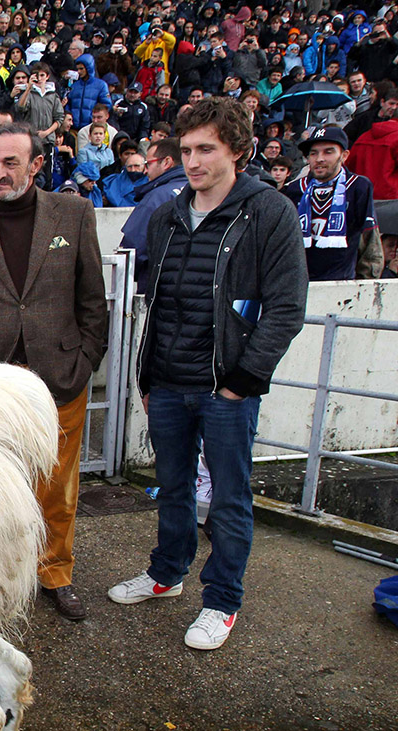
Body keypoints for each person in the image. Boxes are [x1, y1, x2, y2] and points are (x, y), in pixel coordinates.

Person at [108, 97, 309, 651]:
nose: (192, 161)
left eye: (206, 150)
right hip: (169, 380)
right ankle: (166, 575)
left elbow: (287, 306)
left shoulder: (269, 211)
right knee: (171, 488)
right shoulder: (169, 213)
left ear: (238, 152)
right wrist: (148, 377)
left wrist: (242, 380)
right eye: (187, 150)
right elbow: (161, 300)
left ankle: (221, 602)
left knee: (228, 498)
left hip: (227, 387)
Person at [0, 124, 108, 621]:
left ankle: (54, 573)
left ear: (36, 164)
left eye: (10, 163)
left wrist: (83, 364)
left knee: (57, 485)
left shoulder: (74, 214)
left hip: (59, 373)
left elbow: (92, 302)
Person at [282, 126, 383, 281]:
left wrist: (366, 284)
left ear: (344, 155)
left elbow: (369, 240)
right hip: (298, 283)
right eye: (313, 153)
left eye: (328, 152)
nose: (319, 158)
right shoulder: (293, 189)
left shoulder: (358, 186)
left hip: (341, 284)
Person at [120, 136, 187, 286]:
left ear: (166, 162)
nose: (145, 171)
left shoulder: (157, 197)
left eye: (148, 164)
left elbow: (133, 248)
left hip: (161, 286)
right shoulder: (202, 192)